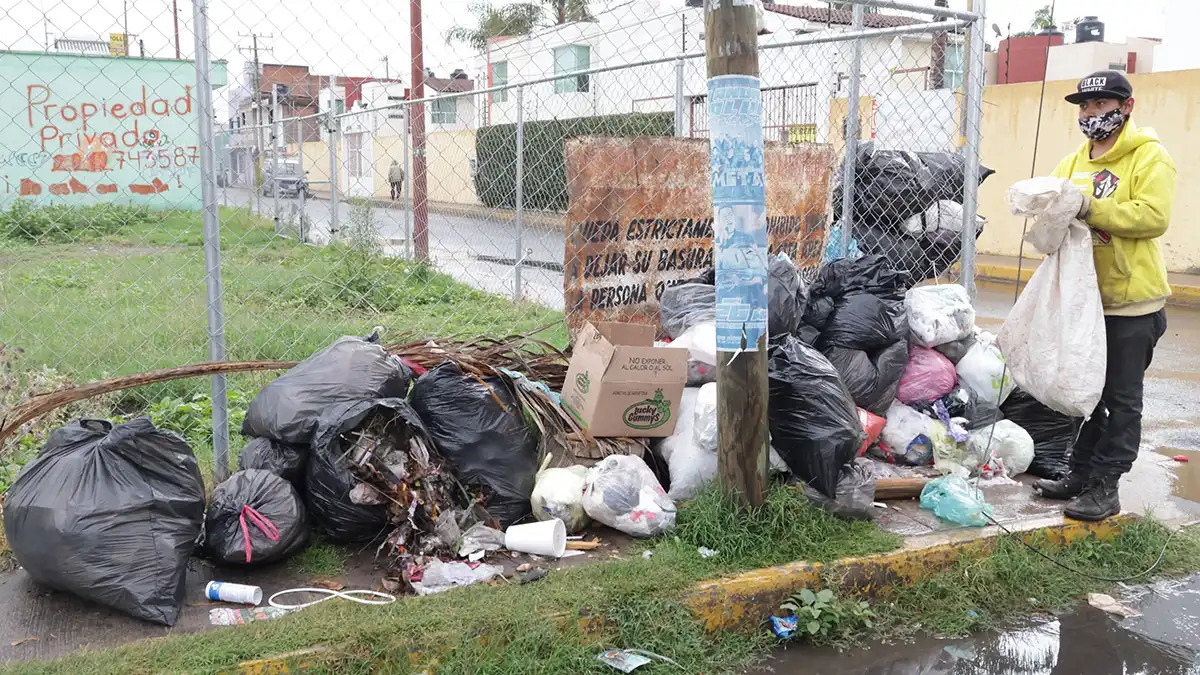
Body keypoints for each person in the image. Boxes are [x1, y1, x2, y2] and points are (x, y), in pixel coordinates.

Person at [1033, 71, 1176, 521]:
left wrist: (1090, 207)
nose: (1090, 113)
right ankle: (1079, 474)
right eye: (1084, 106)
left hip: (1132, 303)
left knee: (1120, 398)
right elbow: (1052, 201)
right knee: (1087, 394)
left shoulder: (1149, 157)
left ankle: (1106, 486)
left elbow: (1152, 216)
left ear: (1126, 106)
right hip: (1085, 301)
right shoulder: (1074, 161)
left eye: (1100, 105)